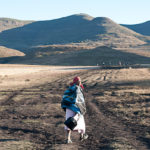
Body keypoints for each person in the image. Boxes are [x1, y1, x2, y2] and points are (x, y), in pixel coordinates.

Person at [61, 76, 88, 144]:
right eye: (79, 81)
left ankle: (68, 139)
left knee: (69, 122)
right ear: (78, 82)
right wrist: (81, 107)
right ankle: (82, 135)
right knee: (80, 120)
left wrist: (67, 105)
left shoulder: (69, 89)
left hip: (69, 107)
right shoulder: (78, 89)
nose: (80, 82)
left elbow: (65, 98)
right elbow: (80, 100)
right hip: (77, 108)